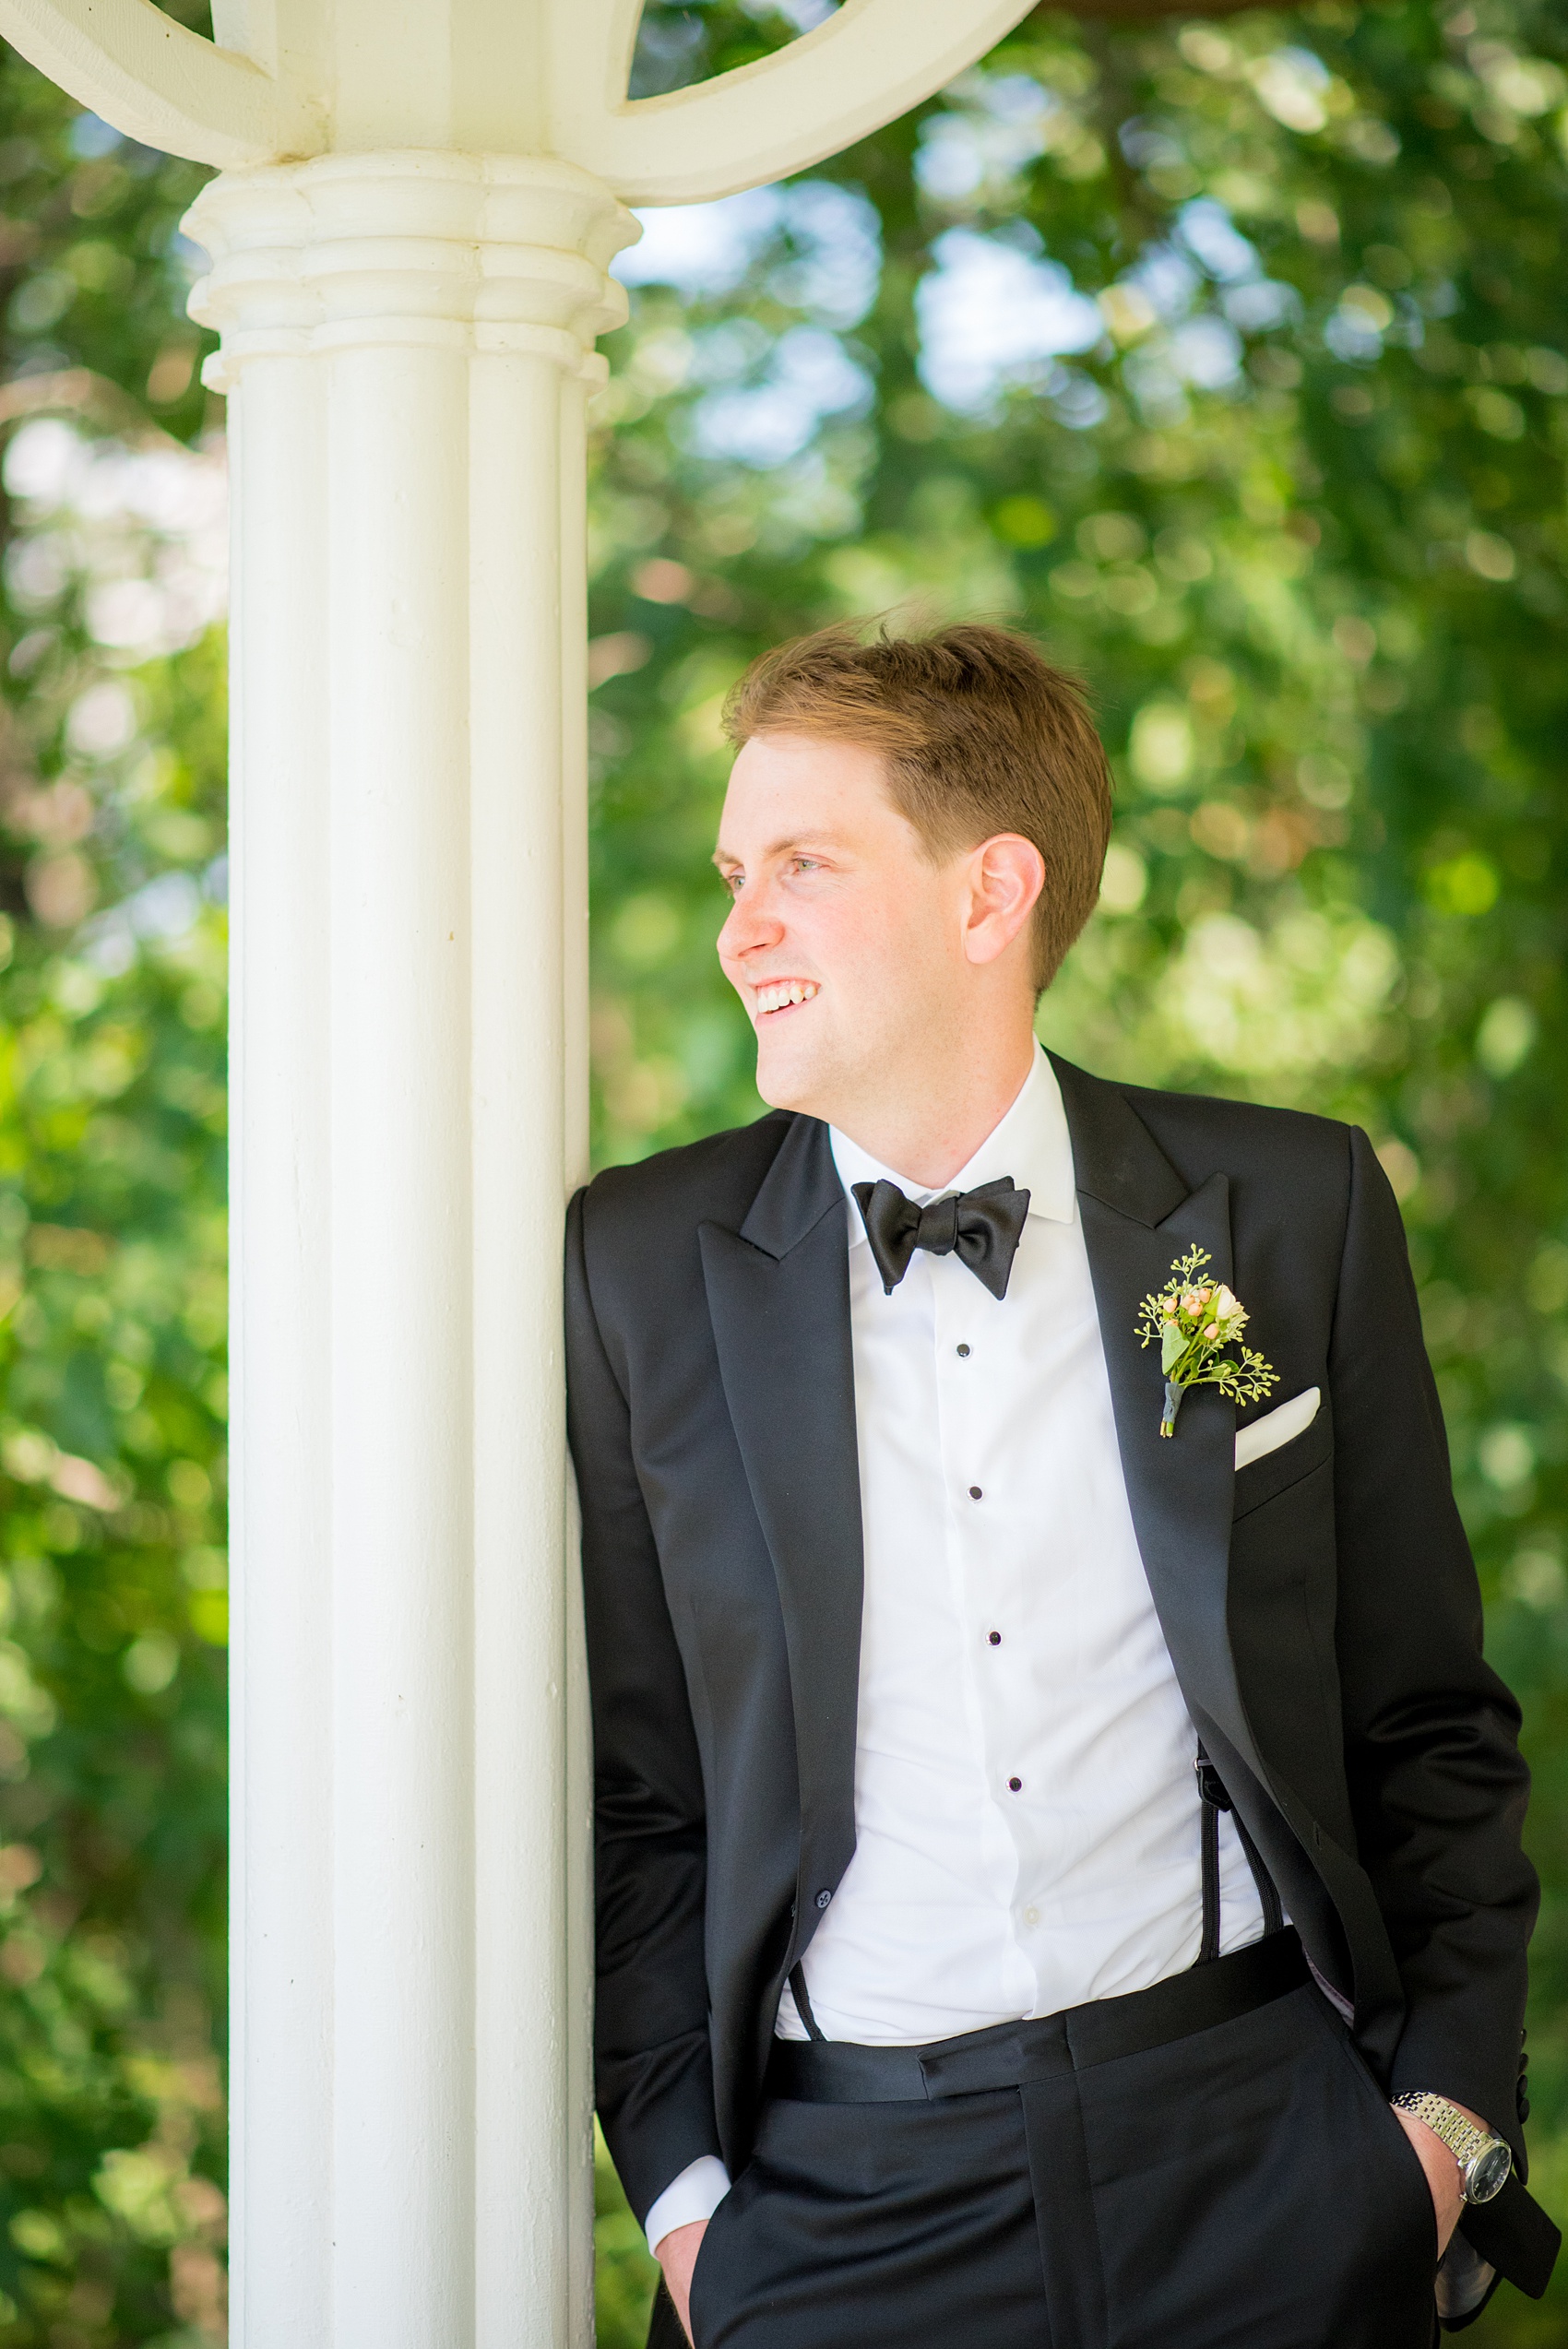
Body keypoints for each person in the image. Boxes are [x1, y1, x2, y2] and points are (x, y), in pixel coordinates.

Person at [564, 623, 1558, 2349]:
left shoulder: (1278, 1214)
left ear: (989, 891)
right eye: (737, 874)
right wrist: (688, 2214)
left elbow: (1423, 1719)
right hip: (831, 2226)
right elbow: (640, 1797)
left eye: (803, 865)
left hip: (1269, 2174)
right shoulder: (641, 1266)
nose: (740, 931)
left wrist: (1441, 2135)